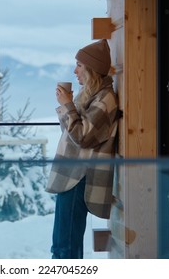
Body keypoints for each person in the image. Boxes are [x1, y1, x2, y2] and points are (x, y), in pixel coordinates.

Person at [46, 39, 119, 259]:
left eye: (79, 65)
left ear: (91, 69)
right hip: (73, 175)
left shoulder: (105, 100)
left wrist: (68, 105)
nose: (75, 70)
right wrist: (68, 103)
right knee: (64, 242)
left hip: (79, 177)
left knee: (65, 245)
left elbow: (82, 137)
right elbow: (69, 131)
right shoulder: (90, 94)